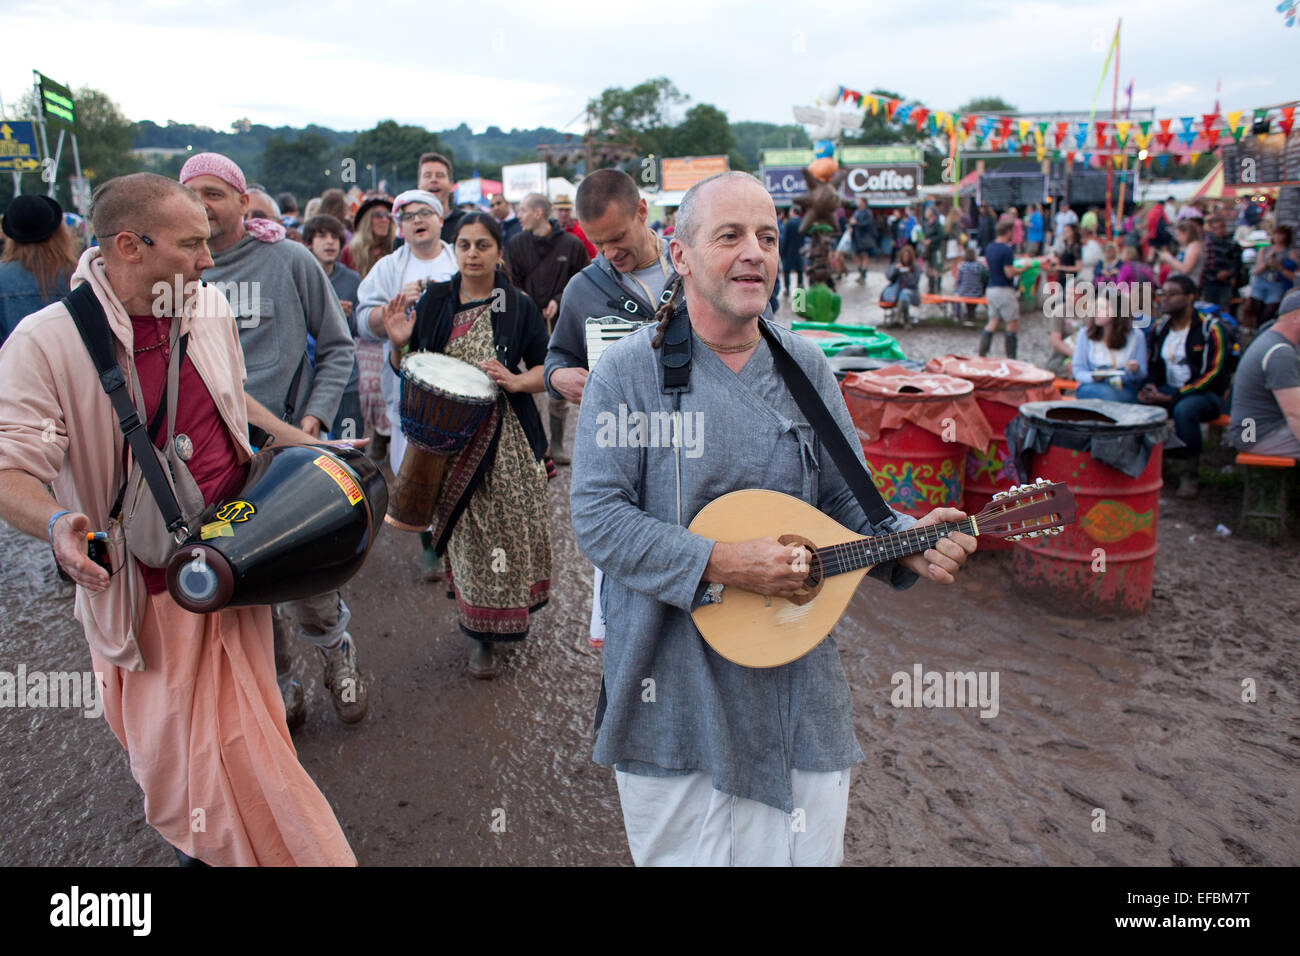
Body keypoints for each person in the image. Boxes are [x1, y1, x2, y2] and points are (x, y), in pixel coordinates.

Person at [569, 171, 975, 867]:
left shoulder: (808, 367)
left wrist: (905, 541)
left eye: (767, 236)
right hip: (670, 677)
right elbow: (600, 520)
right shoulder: (627, 373)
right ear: (682, 254)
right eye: (730, 235)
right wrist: (724, 564)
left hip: (792, 666)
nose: (753, 251)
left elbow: (849, 506)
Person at [0, 172, 355, 866]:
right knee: (188, 768)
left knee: (243, 754)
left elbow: (232, 402)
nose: (208, 258)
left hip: (235, 567)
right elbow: (9, 466)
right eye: (191, 244)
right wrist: (55, 524)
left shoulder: (208, 307)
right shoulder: (45, 344)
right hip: (144, 595)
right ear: (130, 245)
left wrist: (300, 439)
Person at [180, 153, 365, 729]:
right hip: (213, 460)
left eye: (215, 193)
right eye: (191, 195)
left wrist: (312, 419)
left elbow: (337, 346)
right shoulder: (175, 275)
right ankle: (281, 685)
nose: (204, 206)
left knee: (307, 572)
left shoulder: (288, 260)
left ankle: (339, 659)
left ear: (242, 200)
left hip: (288, 451)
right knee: (245, 582)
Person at [376, 213, 551, 678]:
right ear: (455, 250)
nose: (472, 254)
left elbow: (546, 370)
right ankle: (480, 638)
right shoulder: (436, 300)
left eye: (483, 245)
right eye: (464, 245)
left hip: (509, 438)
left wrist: (515, 381)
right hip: (449, 445)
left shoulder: (519, 307)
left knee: (510, 530)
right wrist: (398, 345)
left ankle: (508, 617)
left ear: (499, 252)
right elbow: (413, 369)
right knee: (471, 540)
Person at [546, 169, 678, 650]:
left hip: (695, 443)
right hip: (621, 448)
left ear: (643, 211)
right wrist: (558, 377)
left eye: (619, 238)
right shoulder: (584, 289)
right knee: (625, 551)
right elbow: (557, 356)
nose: (611, 254)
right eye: (599, 244)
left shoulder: (694, 269)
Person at [356, 189, 458, 578]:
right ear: (400, 228)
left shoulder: (458, 256)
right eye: (407, 216)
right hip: (407, 383)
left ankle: (459, 544)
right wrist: (392, 310)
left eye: (424, 213)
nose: (416, 220)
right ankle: (429, 545)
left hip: (459, 380)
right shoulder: (389, 268)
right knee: (411, 464)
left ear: (439, 219)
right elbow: (362, 322)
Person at [506, 192, 590, 463]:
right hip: (525, 324)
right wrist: (524, 301)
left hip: (562, 324)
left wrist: (558, 300)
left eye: (522, 210)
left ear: (538, 212)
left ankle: (557, 444)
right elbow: (509, 280)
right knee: (526, 381)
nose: (518, 216)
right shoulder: (516, 243)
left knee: (559, 382)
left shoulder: (572, 244)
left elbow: (584, 282)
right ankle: (532, 443)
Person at [1138, 274, 1232, 498]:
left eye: (1172, 294)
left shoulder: (1211, 329)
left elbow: (1214, 373)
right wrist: (1150, 387)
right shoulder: (1160, 329)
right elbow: (1154, 364)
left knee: (1185, 409)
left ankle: (1189, 471)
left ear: (1190, 297)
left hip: (1205, 394)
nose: (1164, 299)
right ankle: (1148, 465)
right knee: (1137, 405)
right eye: (1162, 294)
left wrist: (1175, 396)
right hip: (1169, 389)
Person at [342, 196, 395, 461]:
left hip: (391, 328)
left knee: (387, 387)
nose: (383, 220)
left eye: (388, 215)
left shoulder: (398, 252)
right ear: (365, 221)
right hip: (361, 331)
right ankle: (372, 438)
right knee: (367, 388)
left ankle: (384, 436)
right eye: (377, 215)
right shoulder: (351, 252)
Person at [304, 214, 363, 440]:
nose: (330, 242)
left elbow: (359, 329)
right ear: (309, 242)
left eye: (335, 237)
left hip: (346, 380)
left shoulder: (351, 279)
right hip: (308, 381)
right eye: (322, 236)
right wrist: (325, 315)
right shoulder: (300, 275)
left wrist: (345, 318)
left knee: (349, 446)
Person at [1229, 289, 1300, 457]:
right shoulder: (1279, 352)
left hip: (1254, 431)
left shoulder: (1271, 338)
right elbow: (1295, 414)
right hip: (1254, 436)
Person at [1, 195, 79, 346]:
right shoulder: (78, 274)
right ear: (59, 232)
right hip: (69, 367)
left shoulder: (2, 277)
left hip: (11, 366)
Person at [1072, 295, 1147, 402]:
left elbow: (1142, 374)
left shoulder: (1136, 336)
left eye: (1103, 308)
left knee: (1118, 396)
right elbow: (1078, 371)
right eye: (1096, 307)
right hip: (1092, 386)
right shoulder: (1085, 334)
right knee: (1107, 395)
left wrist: (1135, 369)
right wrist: (1093, 377)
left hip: (1123, 387)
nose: (1097, 312)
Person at [980, 219, 1027, 358]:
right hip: (1004, 289)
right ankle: (1011, 358)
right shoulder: (1006, 250)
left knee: (993, 321)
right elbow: (1009, 272)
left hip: (991, 288)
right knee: (1012, 323)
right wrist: (1023, 268)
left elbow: (988, 266)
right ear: (1008, 232)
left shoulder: (990, 247)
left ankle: (982, 353)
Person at [1248, 225, 1296, 330]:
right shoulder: (1264, 249)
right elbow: (1256, 271)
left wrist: (1278, 266)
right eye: (1276, 234)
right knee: (1257, 310)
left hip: (1276, 284)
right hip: (1261, 282)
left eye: (1281, 234)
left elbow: (1294, 275)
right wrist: (1267, 261)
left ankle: (1261, 332)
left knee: (1268, 313)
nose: (1278, 237)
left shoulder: (1290, 253)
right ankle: (1257, 332)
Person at [1200, 214, 1242, 313]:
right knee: (1209, 308)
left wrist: (1230, 274)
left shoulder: (1232, 243)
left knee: (1224, 309)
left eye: (1222, 227)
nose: (1219, 231)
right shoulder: (1207, 243)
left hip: (1225, 283)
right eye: (1216, 228)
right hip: (1209, 282)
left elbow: (1237, 263)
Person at [884, 244, 923, 327]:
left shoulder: (915, 268)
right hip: (896, 294)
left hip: (913, 294)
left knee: (904, 294)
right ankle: (906, 321)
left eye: (907, 256)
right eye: (904, 256)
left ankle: (898, 318)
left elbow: (913, 283)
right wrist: (896, 270)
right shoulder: (897, 265)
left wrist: (906, 272)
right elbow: (889, 277)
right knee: (903, 295)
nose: (905, 258)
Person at [1159, 220, 1204, 291]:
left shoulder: (1194, 246)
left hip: (1186, 286)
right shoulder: (1186, 246)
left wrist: (1168, 258)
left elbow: (1186, 269)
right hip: (1178, 284)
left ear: (1187, 234)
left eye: (1178, 235)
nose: (1177, 238)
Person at [553, 193, 597, 259]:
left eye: (566, 210)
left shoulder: (580, 231)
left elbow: (592, 255)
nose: (564, 213)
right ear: (555, 210)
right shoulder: (550, 231)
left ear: (571, 210)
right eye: (561, 209)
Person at [953, 246, 986, 324]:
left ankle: (957, 316)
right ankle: (971, 315)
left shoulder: (962, 267)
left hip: (964, 291)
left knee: (956, 295)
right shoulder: (979, 266)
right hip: (976, 292)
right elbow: (983, 278)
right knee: (972, 304)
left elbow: (959, 281)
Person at [849, 196, 877, 284]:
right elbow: (852, 221)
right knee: (854, 254)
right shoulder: (856, 212)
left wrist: (857, 223)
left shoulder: (868, 212)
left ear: (864, 203)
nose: (858, 203)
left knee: (865, 255)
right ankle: (861, 272)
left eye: (860, 201)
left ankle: (863, 273)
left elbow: (867, 224)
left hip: (865, 237)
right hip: (856, 237)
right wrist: (851, 226)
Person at [780, 204, 805, 293]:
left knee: (786, 270)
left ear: (793, 212)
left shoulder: (789, 223)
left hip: (789, 251)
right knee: (800, 270)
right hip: (800, 250)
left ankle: (787, 288)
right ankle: (800, 286)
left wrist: (782, 252)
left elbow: (785, 238)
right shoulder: (802, 222)